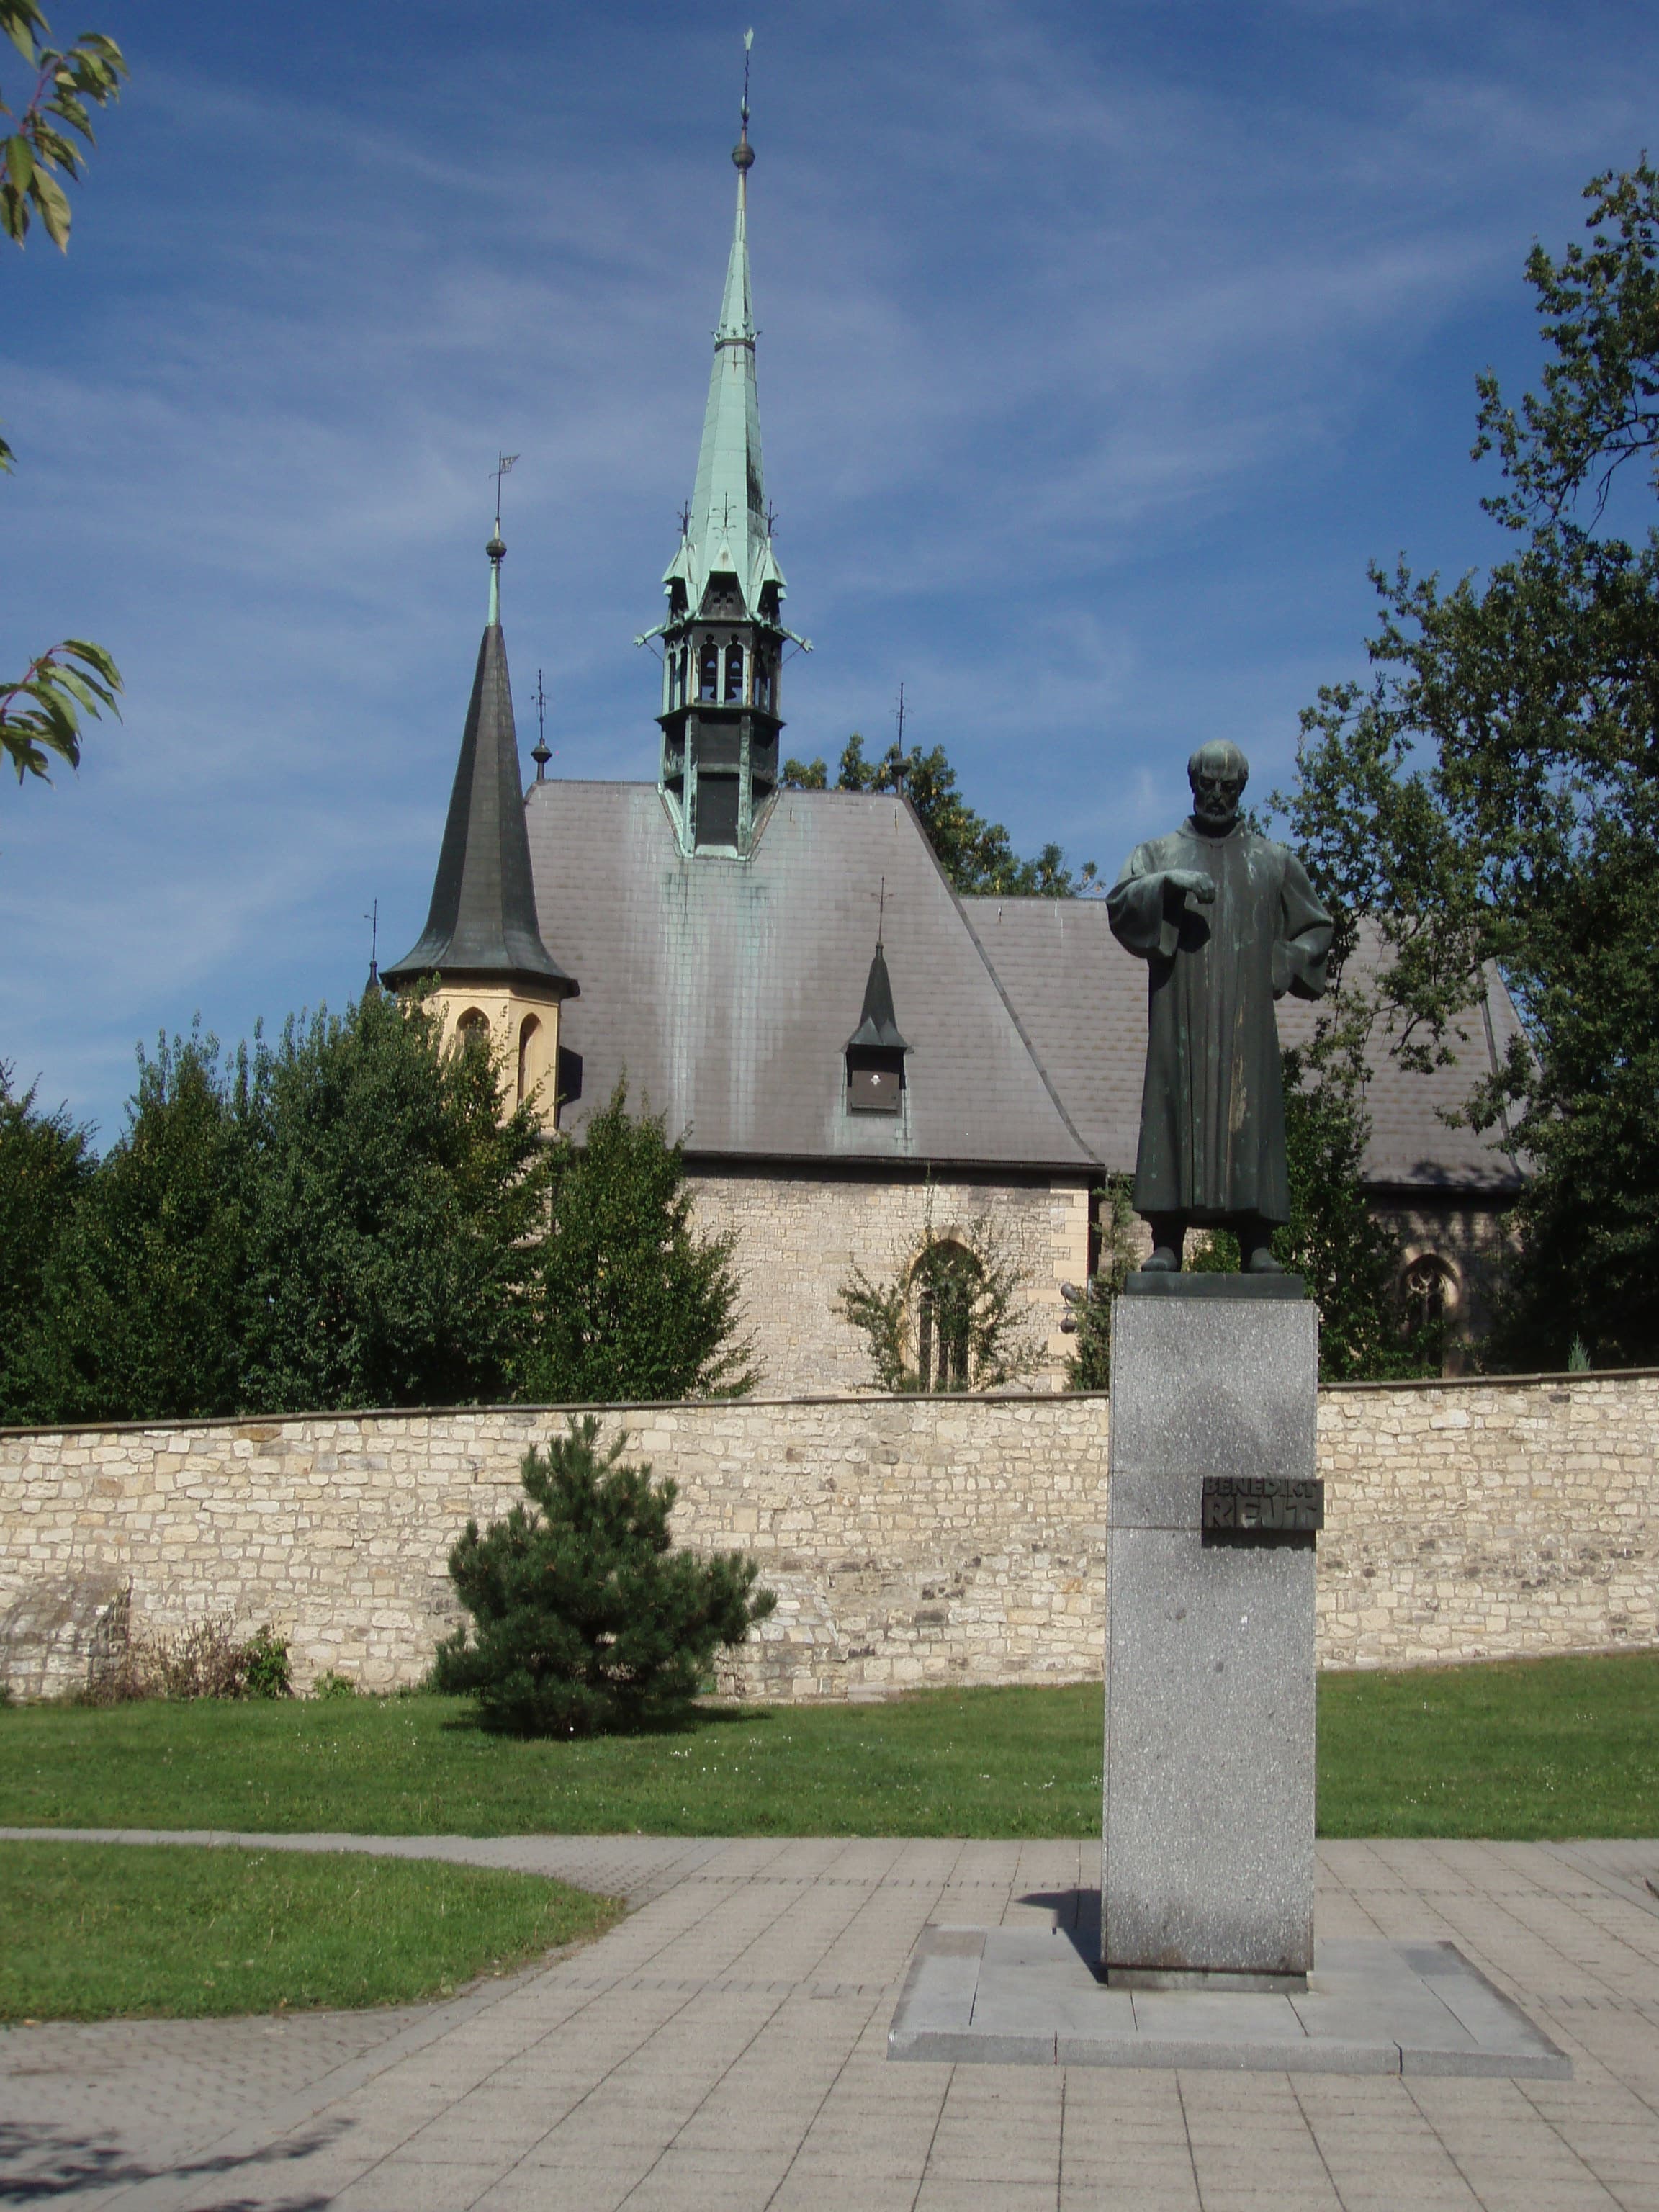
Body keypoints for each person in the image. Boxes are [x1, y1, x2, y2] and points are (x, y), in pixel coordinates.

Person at [1107, 740, 1331, 1272]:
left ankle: (1257, 1243)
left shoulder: (1272, 861)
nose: (1217, 795)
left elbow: (1317, 927)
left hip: (1244, 1023)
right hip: (1179, 1013)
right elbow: (1119, 905)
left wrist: (1287, 958)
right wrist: (1165, 886)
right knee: (1172, 1110)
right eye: (1207, 784)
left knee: (1249, 1120)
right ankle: (1166, 1240)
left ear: (1241, 790)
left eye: (1227, 786)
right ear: (1193, 786)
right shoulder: (1157, 854)